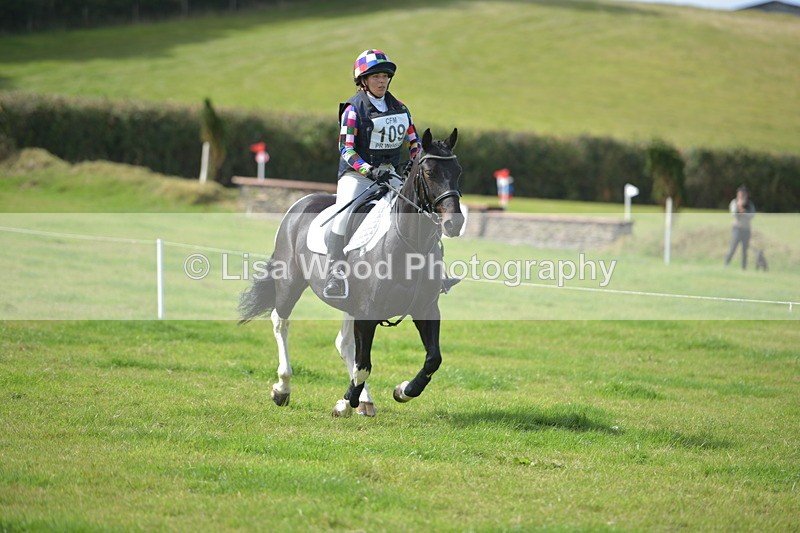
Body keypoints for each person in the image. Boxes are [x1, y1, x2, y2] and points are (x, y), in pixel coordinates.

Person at [323, 49, 420, 299]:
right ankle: (335, 273)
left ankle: (433, 270)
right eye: (375, 76)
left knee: (420, 211)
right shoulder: (353, 110)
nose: (382, 81)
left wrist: (415, 164)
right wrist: (368, 169)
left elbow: (414, 143)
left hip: (391, 175)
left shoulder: (401, 108)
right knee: (342, 215)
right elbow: (346, 148)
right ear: (363, 80)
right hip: (357, 176)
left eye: (385, 76)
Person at [724, 185, 756, 270]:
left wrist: (744, 211)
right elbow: (734, 214)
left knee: (745, 250)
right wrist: (740, 208)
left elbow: (752, 215)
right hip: (737, 229)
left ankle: (744, 268)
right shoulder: (734, 203)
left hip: (746, 230)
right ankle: (726, 263)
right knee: (733, 248)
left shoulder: (750, 204)